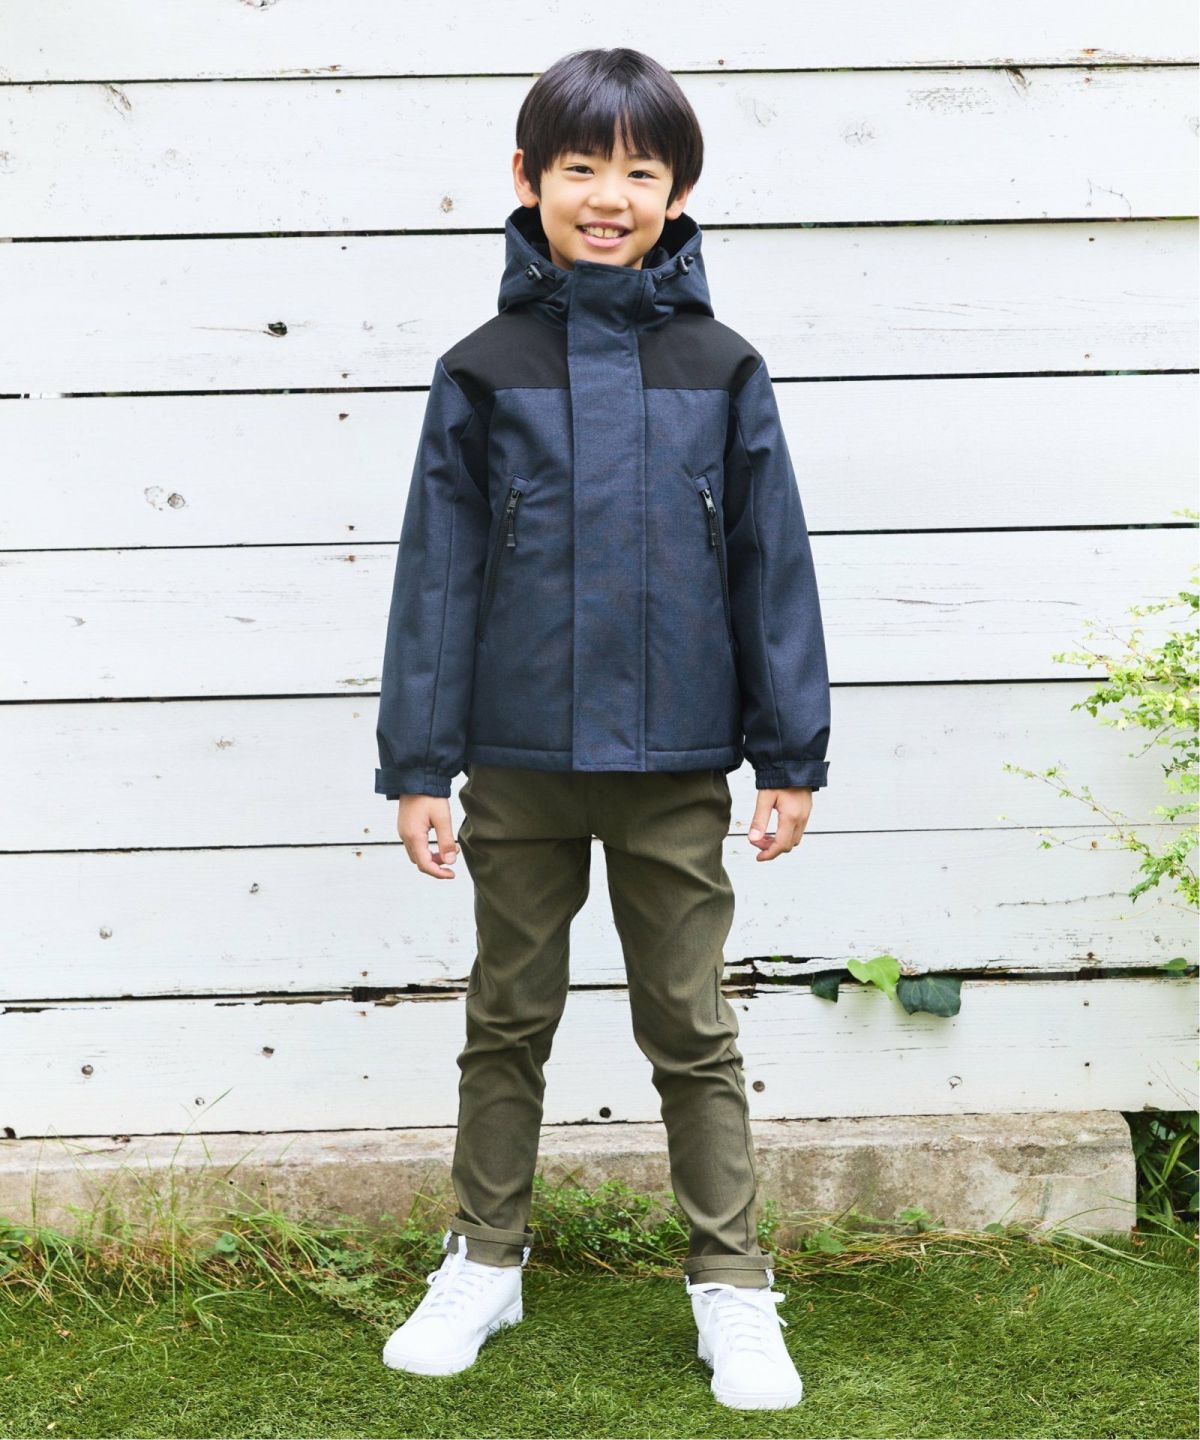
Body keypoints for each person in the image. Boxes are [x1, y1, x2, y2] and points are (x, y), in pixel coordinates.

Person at [373, 47, 830, 1412]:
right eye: (581, 166)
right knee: (506, 1017)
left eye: (640, 169)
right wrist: (418, 764)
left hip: (675, 767)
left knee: (690, 1025)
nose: (609, 195)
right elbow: (438, 576)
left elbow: (770, 565)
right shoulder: (481, 370)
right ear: (528, 179)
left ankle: (732, 1285)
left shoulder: (723, 368)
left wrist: (790, 753)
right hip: (515, 766)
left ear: (679, 191)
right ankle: (485, 1260)